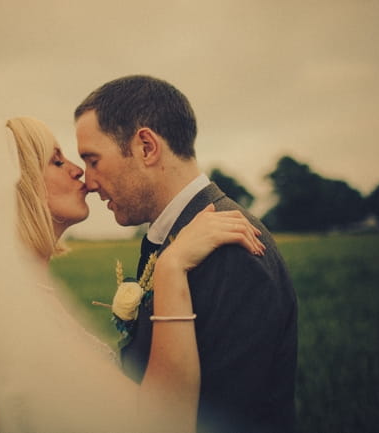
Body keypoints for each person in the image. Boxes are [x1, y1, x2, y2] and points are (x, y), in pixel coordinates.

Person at [0, 117, 265, 433]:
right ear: (19, 187)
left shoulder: (24, 296)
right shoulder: (15, 312)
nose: (79, 171)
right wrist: (171, 268)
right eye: (57, 160)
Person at [74, 75, 298, 433]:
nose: (87, 180)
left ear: (147, 147)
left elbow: (225, 418)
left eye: (93, 160)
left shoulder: (233, 252)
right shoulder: (172, 240)